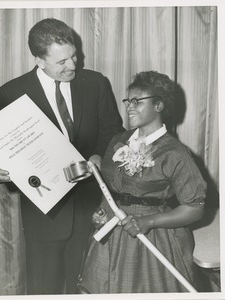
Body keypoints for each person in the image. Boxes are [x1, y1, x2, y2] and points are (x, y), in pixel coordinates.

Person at [0, 18, 124, 294]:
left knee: (88, 287)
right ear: (39, 60)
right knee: (43, 289)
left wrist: (99, 155)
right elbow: (6, 146)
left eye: (73, 56)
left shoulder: (96, 83)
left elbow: (113, 132)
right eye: (61, 62)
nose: (73, 65)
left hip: (91, 207)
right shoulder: (13, 92)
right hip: (44, 214)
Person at [78, 71, 207, 293]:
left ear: (158, 106)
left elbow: (195, 209)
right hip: (109, 235)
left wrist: (149, 222)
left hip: (150, 237)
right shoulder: (117, 141)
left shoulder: (175, 153)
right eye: (128, 100)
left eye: (137, 101)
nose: (129, 106)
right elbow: (109, 188)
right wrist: (101, 210)